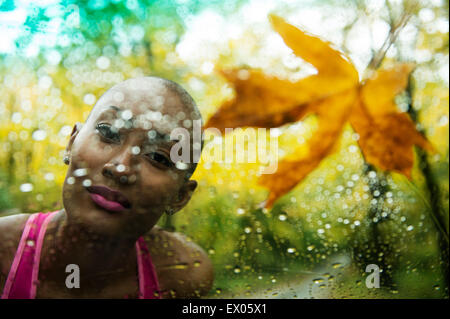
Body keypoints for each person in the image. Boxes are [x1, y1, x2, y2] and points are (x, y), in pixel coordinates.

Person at [0, 77, 213, 299]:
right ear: (72, 143)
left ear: (180, 196)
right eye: (108, 133)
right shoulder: (3, 251)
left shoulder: (184, 274)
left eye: (158, 157)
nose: (121, 167)